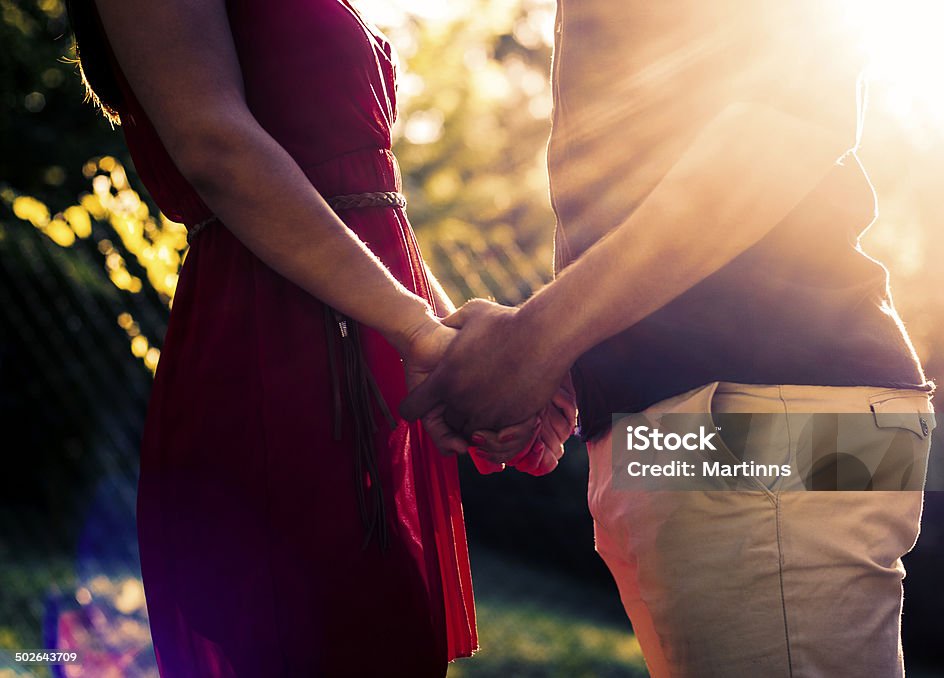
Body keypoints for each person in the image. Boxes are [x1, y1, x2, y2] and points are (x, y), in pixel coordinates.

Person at [404, 2, 936, 676]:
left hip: (764, 427)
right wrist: (579, 355)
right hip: (703, 429)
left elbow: (790, 122)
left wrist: (537, 339)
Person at [66, 0, 574, 675]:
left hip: (369, 339)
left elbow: (372, 204)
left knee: (388, 635)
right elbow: (214, 144)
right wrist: (417, 331)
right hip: (276, 352)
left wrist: (464, 351)